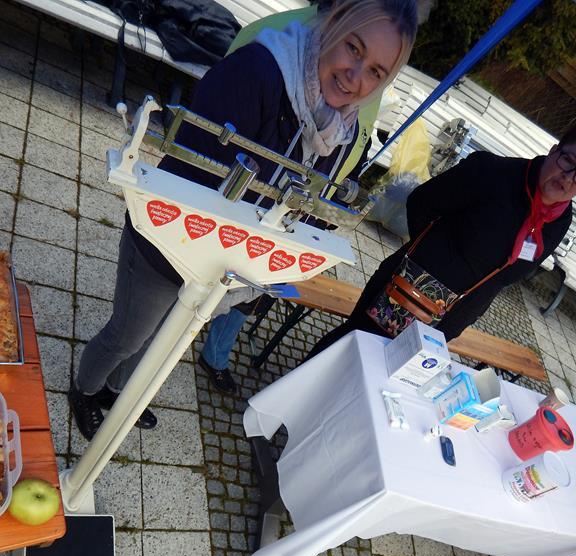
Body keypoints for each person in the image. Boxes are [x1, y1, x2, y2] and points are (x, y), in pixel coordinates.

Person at [68, 0, 418, 439]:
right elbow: (194, 171)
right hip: (168, 242)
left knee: (159, 339)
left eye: (376, 71)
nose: (356, 76)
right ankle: (85, 389)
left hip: (221, 262)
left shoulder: (341, 130)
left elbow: (304, 203)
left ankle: (118, 392)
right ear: (331, 25)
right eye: (354, 48)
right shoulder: (257, 71)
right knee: (128, 336)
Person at [310, 124, 576, 357]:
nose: (569, 178)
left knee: (386, 373)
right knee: (349, 346)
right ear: (554, 151)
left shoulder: (561, 220)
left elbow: (508, 275)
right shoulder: (492, 172)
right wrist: (432, 260)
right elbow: (421, 203)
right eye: (568, 161)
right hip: (404, 289)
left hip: (449, 320)